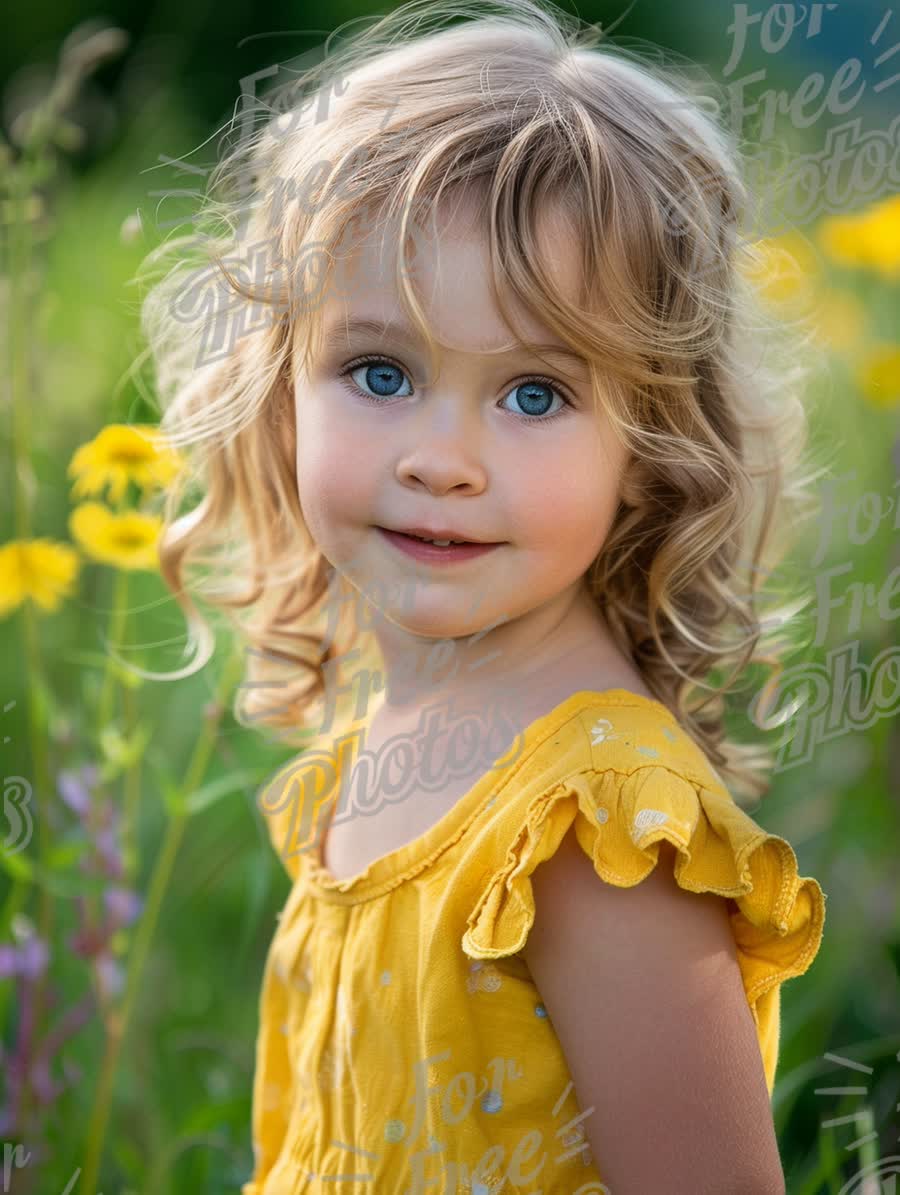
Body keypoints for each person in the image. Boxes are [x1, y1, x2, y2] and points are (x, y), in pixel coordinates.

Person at [141, 0, 827, 1190]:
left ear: (652, 441)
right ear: (282, 387)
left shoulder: (597, 836)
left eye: (533, 395)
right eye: (380, 370)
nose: (442, 458)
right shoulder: (379, 745)